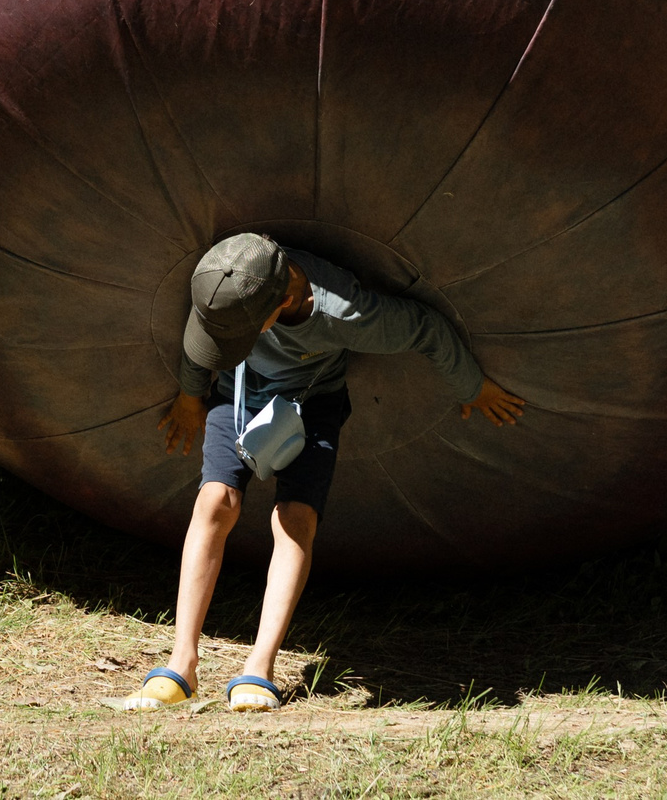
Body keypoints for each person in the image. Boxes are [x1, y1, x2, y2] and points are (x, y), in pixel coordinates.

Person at [120, 231, 526, 713]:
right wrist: (191, 394)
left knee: (295, 519)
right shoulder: (227, 272)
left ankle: (258, 668)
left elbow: (425, 328)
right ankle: (181, 663)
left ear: (285, 302)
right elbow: (207, 325)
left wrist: (472, 387)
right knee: (215, 502)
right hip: (236, 392)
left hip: (308, 404)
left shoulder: (342, 312)